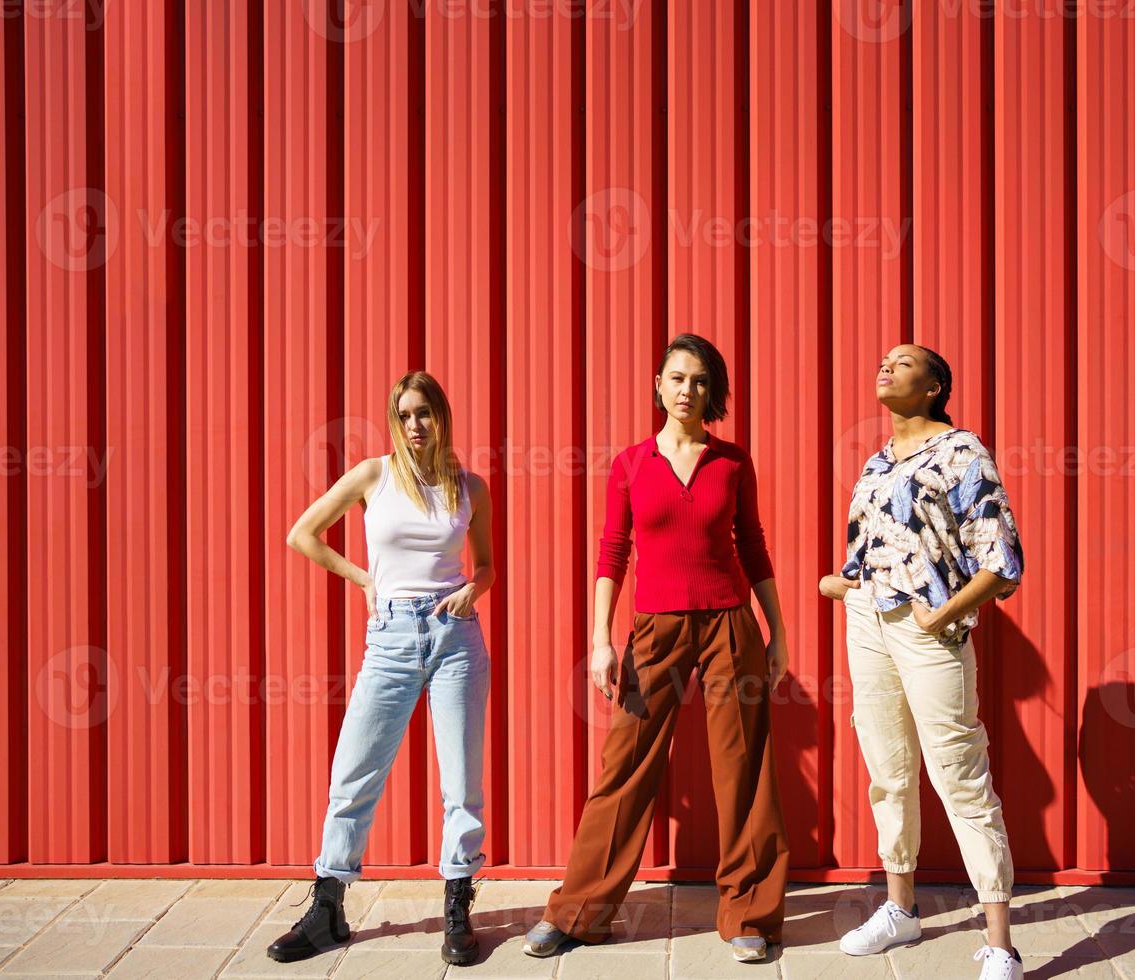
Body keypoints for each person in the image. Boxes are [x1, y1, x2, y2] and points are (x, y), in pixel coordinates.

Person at [523, 333, 791, 964]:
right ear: (658, 386)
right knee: (625, 767)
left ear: (712, 391)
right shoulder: (630, 464)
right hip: (656, 629)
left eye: (699, 381)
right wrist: (599, 639)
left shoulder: (731, 462)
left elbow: (753, 545)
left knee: (743, 768)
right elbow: (613, 553)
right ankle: (579, 911)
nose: (687, 391)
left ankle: (749, 915)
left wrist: (779, 631)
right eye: (676, 378)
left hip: (730, 623)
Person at [268, 371, 495, 967]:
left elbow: (488, 566)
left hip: (454, 640)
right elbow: (303, 533)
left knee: (461, 781)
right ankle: (328, 905)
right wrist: (364, 579)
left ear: (441, 416)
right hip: (391, 637)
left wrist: (474, 589)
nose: (415, 425)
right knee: (354, 771)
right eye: (404, 415)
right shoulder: (374, 475)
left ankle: (456, 903)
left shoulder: (470, 486)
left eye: (424, 413)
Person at [820, 344, 1025, 979]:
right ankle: (900, 911)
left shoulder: (964, 453)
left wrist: (940, 613)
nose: (885, 366)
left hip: (929, 629)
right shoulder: (876, 461)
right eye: (882, 359)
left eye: (904, 362)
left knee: (959, 774)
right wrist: (844, 582)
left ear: (935, 385)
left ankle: (1000, 945)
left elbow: (1003, 560)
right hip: (869, 622)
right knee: (888, 769)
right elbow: (872, 545)